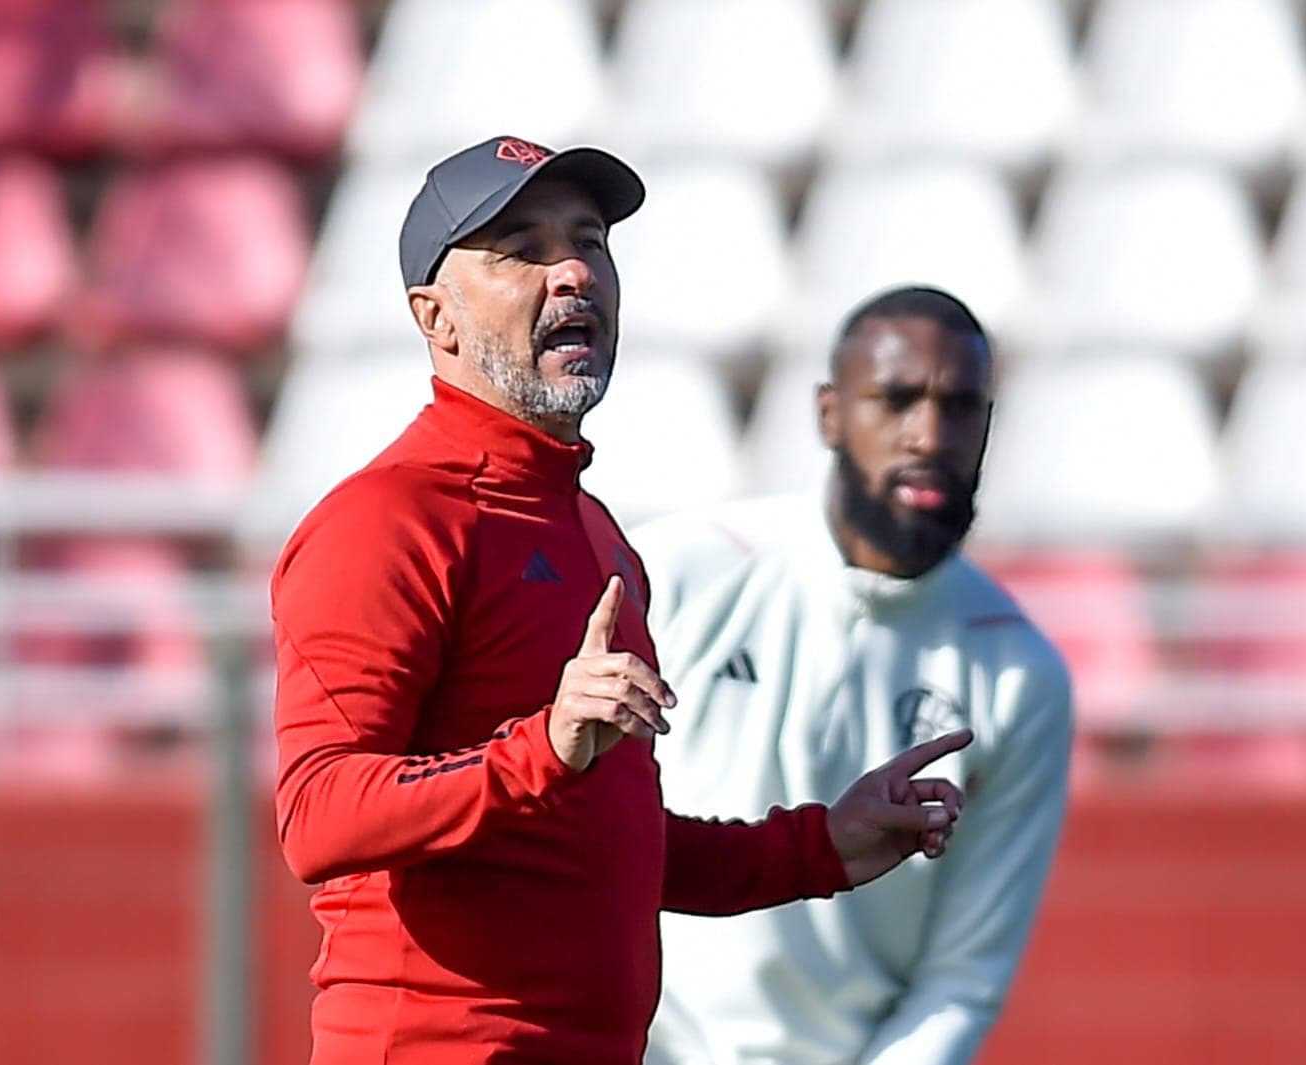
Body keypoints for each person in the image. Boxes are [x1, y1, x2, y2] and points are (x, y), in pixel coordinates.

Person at [268, 139, 974, 1065]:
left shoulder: (597, 537)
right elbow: (319, 814)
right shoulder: (387, 520)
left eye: (590, 241)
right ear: (434, 318)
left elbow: (613, 843)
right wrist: (541, 749)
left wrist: (820, 845)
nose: (571, 272)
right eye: (522, 248)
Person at [635, 285, 1074, 1065]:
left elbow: (964, 977)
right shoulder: (680, 570)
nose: (928, 435)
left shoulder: (1018, 670)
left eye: (961, 407)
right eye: (897, 399)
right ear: (830, 413)